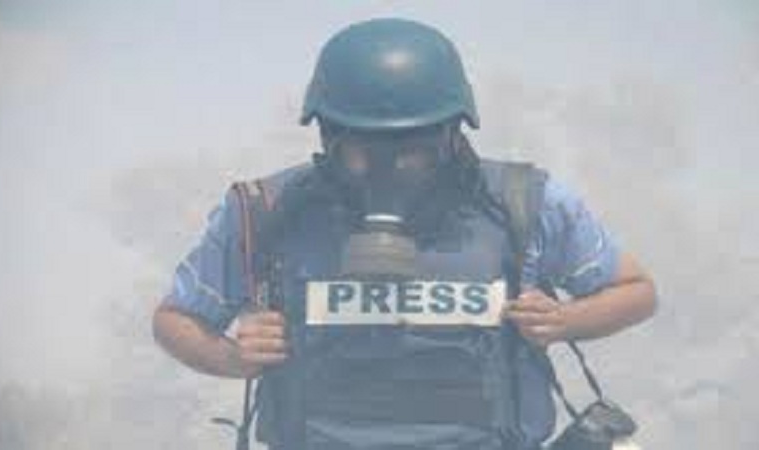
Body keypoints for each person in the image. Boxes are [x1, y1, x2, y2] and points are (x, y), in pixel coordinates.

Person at [152, 18, 657, 450]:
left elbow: (636, 291)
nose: (387, 168)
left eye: (411, 150)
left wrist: (565, 320)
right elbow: (175, 319)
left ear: (451, 135)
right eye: (363, 150)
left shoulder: (522, 203)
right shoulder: (269, 211)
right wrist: (234, 356)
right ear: (329, 135)